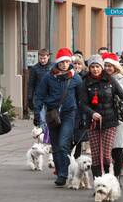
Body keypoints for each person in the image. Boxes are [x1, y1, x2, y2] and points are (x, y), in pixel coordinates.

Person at [80, 55, 123, 180]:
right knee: (95, 155)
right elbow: (82, 104)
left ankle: (107, 180)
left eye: (97, 67)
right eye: (93, 67)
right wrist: (91, 113)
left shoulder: (110, 80)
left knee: (106, 154)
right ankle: (98, 181)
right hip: (93, 122)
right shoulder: (85, 83)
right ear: (89, 68)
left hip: (110, 121)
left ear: (101, 68)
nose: (95, 69)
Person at [33, 48, 83, 186]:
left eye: (67, 62)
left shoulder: (76, 78)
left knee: (63, 143)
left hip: (69, 113)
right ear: (58, 63)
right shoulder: (49, 77)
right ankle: (61, 173)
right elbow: (39, 95)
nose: (65, 64)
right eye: (62, 62)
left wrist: (83, 117)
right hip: (52, 114)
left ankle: (65, 172)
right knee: (55, 145)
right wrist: (37, 113)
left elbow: (81, 99)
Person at [28, 49, 53, 127]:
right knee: (41, 119)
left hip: (51, 96)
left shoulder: (53, 67)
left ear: (48, 57)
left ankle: (50, 136)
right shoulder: (35, 68)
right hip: (39, 97)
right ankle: (42, 135)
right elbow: (31, 84)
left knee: (51, 118)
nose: (42, 60)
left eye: (44, 58)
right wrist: (29, 98)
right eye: (40, 58)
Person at [71, 54, 89, 159]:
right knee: (69, 137)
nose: (77, 66)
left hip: (81, 110)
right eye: (75, 64)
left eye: (79, 64)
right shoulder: (68, 76)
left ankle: (76, 159)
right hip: (71, 108)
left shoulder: (86, 77)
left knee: (78, 138)